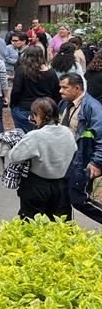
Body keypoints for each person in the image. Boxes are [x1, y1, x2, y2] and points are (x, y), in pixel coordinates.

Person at [5, 97, 76, 221]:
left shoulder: (35, 136)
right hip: (61, 184)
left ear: (37, 115)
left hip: (37, 185)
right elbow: (74, 150)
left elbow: (14, 157)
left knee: (31, 223)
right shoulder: (67, 132)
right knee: (58, 223)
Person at [58, 73, 102, 224]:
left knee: (79, 199)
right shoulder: (64, 104)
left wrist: (96, 162)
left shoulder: (93, 108)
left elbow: (101, 137)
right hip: (65, 161)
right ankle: (64, 233)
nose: (60, 91)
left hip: (81, 161)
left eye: (65, 87)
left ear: (77, 88)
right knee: (62, 200)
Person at [9, 47, 61, 133]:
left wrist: (13, 105)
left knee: (23, 135)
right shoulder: (51, 72)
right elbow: (56, 91)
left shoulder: (21, 71)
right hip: (44, 107)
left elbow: (16, 90)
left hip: (24, 107)